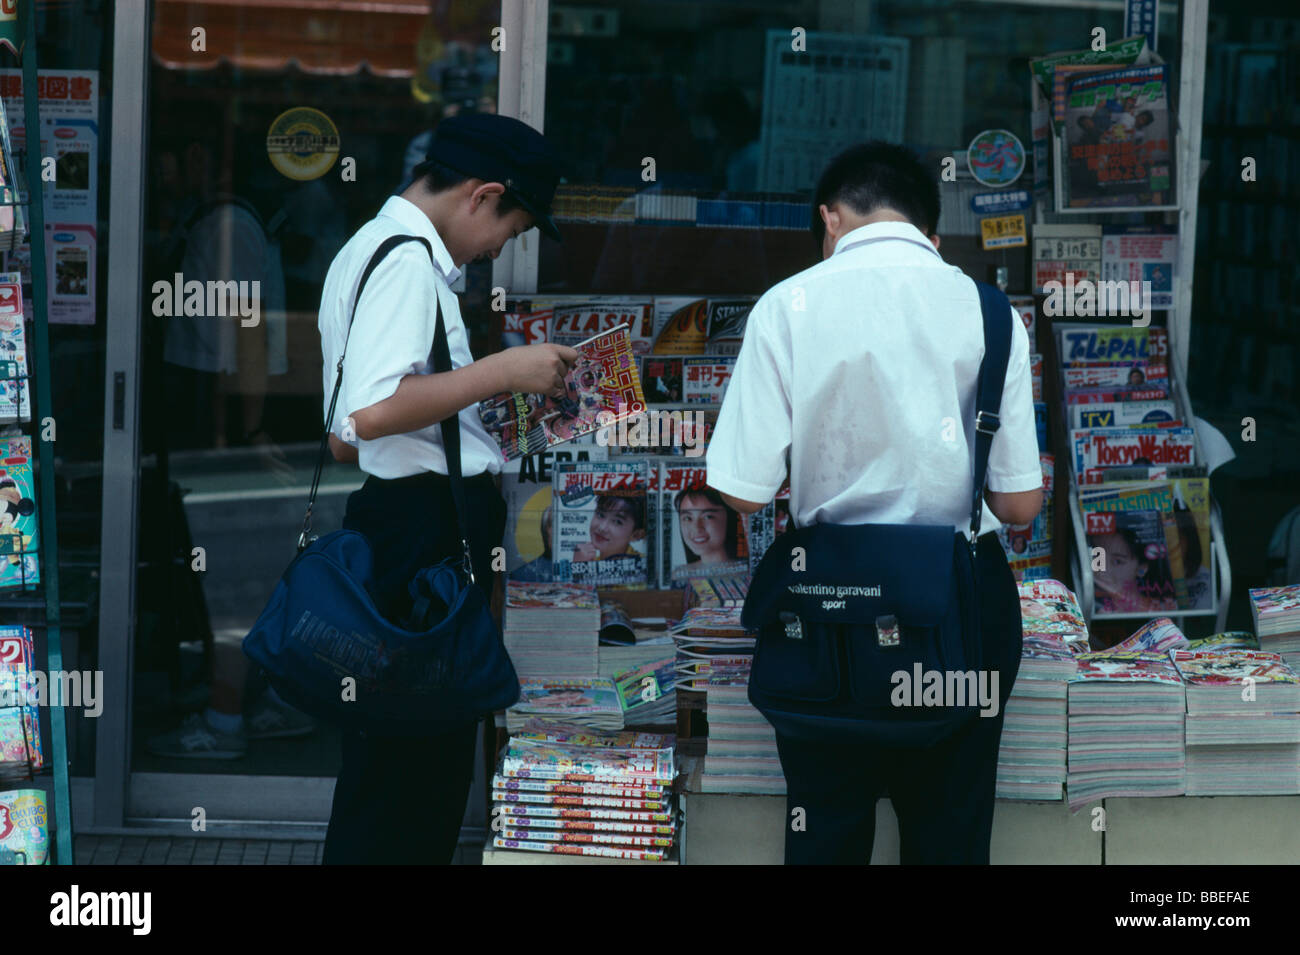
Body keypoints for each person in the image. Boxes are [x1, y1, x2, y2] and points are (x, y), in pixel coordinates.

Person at [705, 142, 1043, 865]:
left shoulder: (787, 305)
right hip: (958, 605)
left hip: (827, 606)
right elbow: (1017, 504)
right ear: (932, 233)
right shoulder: (990, 312)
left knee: (824, 829)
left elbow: (742, 490)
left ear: (830, 219)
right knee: (950, 838)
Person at [317, 112, 575, 865]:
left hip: (404, 529)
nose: (502, 248)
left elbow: (344, 433)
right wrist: (504, 373)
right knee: (416, 780)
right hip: (422, 539)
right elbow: (370, 412)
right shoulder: (405, 264)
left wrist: (472, 407)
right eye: (513, 228)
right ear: (482, 195)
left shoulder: (368, 251)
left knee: (387, 772)